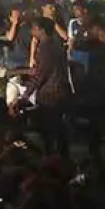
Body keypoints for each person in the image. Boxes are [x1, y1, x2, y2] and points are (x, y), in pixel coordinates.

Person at [14, 16, 73, 156]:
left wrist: (25, 95)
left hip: (51, 94)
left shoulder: (46, 47)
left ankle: (52, 160)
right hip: (59, 91)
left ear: (41, 29)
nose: (31, 31)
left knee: (49, 131)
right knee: (58, 130)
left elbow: (41, 75)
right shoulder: (54, 44)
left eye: (34, 28)